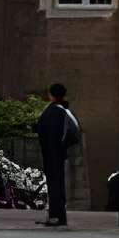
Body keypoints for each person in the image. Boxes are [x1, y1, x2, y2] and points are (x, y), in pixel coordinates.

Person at [34, 83, 80, 227]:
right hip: (60, 153)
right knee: (59, 185)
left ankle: (55, 216)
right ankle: (60, 216)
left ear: (51, 95)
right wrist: (63, 146)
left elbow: (41, 130)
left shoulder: (49, 111)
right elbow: (75, 131)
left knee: (54, 185)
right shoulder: (65, 111)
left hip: (50, 152)